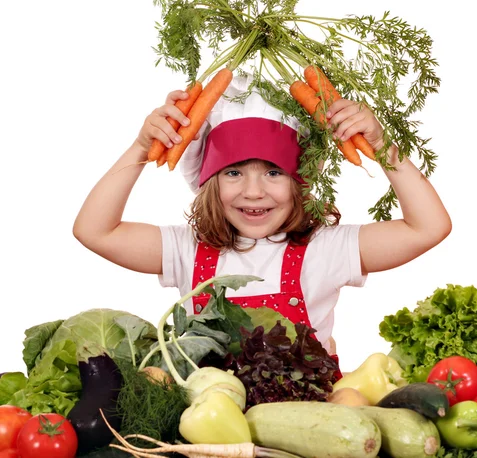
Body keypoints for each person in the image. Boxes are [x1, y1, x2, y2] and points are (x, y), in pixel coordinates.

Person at [73, 75, 451, 359]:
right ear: (208, 182)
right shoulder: (187, 250)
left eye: (273, 173)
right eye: (234, 172)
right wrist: (143, 146)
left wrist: (382, 145)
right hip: (211, 434)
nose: (253, 192)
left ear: (300, 182)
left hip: (309, 427)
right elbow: (95, 231)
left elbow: (428, 228)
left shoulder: (325, 249)